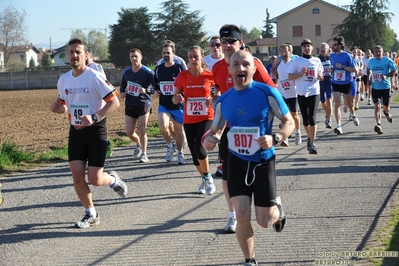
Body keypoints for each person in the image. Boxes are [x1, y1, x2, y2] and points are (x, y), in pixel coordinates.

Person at [204, 50, 294, 266]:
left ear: (254, 68)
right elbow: (216, 128)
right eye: (236, 64)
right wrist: (209, 139)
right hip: (235, 161)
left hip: (262, 161)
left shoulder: (268, 93)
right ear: (230, 70)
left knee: (264, 221)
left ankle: (277, 210)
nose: (240, 69)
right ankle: (249, 260)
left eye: (245, 64)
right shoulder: (224, 100)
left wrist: (277, 136)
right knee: (242, 215)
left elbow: (289, 121)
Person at [50, 38, 127, 228]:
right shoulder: (64, 80)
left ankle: (113, 179)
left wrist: (95, 116)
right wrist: (57, 108)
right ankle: (91, 213)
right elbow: (63, 105)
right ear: (67, 56)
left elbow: (114, 102)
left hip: (96, 132)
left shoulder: (94, 77)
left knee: (95, 179)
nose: (74, 55)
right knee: (77, 176)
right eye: (71, 52)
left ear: (86, 56)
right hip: (75, 131)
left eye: (78, 52)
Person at [212, 24, 276, 233]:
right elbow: (221, 91)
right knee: (226, 175)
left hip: (255, 131)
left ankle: (270, 203)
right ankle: (233, 214)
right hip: (230, 130)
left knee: (256, 174)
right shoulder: (217, 68)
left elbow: (272, 92)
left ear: (240, 43)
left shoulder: (253, 64)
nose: (228, 45)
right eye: (224, 41)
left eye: (232, 41)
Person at [173, 45, 216, 195]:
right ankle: (204, 178)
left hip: (206, 117)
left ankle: (209, 178)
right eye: (190, 57)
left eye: (195, 56)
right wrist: (177, 98)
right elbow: (174, 97)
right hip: (189, 118)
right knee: (193, 154)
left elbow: (219, 92)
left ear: (202, 57)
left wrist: (213, 99)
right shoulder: (183, 76)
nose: (192, 59)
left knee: (199, 146)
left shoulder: (210, 76)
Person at [287, 39, 323, 154]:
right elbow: (290, 77)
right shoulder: (296, 62)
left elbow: (321, 75)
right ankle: (309, 138)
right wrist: (301, 74)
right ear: (301, 48)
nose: (306, 48)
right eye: (304, 46)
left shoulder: (317, 60)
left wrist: (320, 76)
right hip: (301, 92)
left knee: (312, 118)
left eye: (308, 46)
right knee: (306, 120)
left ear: (312, 48)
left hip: (314, 91)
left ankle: (312, 143)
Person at [120, 48, 156, 163]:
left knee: (141, 129)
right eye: (132, 57)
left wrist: (145, 90)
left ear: (141, 57)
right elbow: (122, 87)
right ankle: (138, 143)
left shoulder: (148, 72)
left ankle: (144, 154)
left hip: (143, 103)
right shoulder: (126, 72)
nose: (134, 59)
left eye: (136, 56)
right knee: (129, 132)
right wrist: (122, 93)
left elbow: (155, 88)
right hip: (130, 104)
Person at [154, 42, 186, 164]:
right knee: (162, 126)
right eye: (164, 53)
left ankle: (180, 153)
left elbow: (186, 85)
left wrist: (181, 92)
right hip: (164, 104)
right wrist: (156, 92)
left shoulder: (179, 68)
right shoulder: (158, 69)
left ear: (173, 54)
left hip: (178, 105)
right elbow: (156, 85)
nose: (166, 55)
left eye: (168, 53)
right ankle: (169, 145)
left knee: (178, 132)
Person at [329, 36, 359, 135]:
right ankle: (339, 126)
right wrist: (332, 70)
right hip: (336, 82)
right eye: (332, 44)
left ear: (340, 45)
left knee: (349, 104)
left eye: (334, 44)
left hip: (347, 82)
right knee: (337, 104)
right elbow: (333, 67)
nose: (332, 46)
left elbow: (355, 70)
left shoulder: (347, 55)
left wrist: (343, 67)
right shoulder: (332, 56)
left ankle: (353, 115)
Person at [86, 50, 113, 158]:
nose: (85, 59)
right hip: (87, 100)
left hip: (99, 100)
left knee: (99, 125)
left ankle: (106, 145)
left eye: (87, 56)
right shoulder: (81, 68)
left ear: (91, 57)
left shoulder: (96, 67)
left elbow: (103, 80)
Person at [275, 43, 302, 146]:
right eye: (281, 51)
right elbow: (275, 73)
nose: (283, 53)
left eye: (286, 51)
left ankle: (297, 132)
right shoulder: (279, 64)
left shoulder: (294, 63)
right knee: (283, 115)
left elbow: (299, 75)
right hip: (282, 92)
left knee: (294, 114)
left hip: (293, 92)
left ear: (290, 52)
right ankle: (284, 138)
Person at [367, 45, 398, 134]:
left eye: (379, 51)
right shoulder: (371, 61)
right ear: (374, 53)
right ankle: (378, 124)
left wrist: (386, 76)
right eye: (376, 51)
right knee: (377, 105)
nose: (378, 53)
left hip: (385, 87)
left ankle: (387, 113)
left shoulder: (387, 60)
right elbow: (368, 69)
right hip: (375, 87)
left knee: (386, 108)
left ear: (382, 52)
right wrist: (369, 78)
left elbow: (395, 70)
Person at [318, 42, 333, 128]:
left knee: (329, 100)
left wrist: (333, 69)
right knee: (323, 101)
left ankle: (329, 119)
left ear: (328, 50)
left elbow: (336, 68)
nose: (323, 50)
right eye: (321, 49)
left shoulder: (331, 58)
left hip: (329, 81)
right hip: (320, 82)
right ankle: (327, 114)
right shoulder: (317, 59)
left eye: (324, 49)